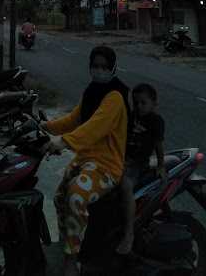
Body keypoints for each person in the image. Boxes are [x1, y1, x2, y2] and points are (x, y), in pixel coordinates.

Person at [41, 45, 130, 276]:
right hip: (86, 159)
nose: (99, 70)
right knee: (60, 196)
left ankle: (72, 259)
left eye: (104, 66)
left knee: (75, 197)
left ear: (113, 68)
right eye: (95, 65)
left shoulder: (115, 97)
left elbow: (94, 127)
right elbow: (75, 118)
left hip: (106, 164)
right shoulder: (92, 91)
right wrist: (45, 126)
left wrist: (63, 142)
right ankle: (70, 243)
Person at [116, 83, 166, 255]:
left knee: (125, 185)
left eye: (143, 103)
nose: (139, 106)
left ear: (154, 103)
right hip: (122, 161)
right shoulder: (130, 116)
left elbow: (159, 145)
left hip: (138, 164)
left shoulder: (156, 121)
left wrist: (160, 165)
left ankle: (128, 234)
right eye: (135, 103)